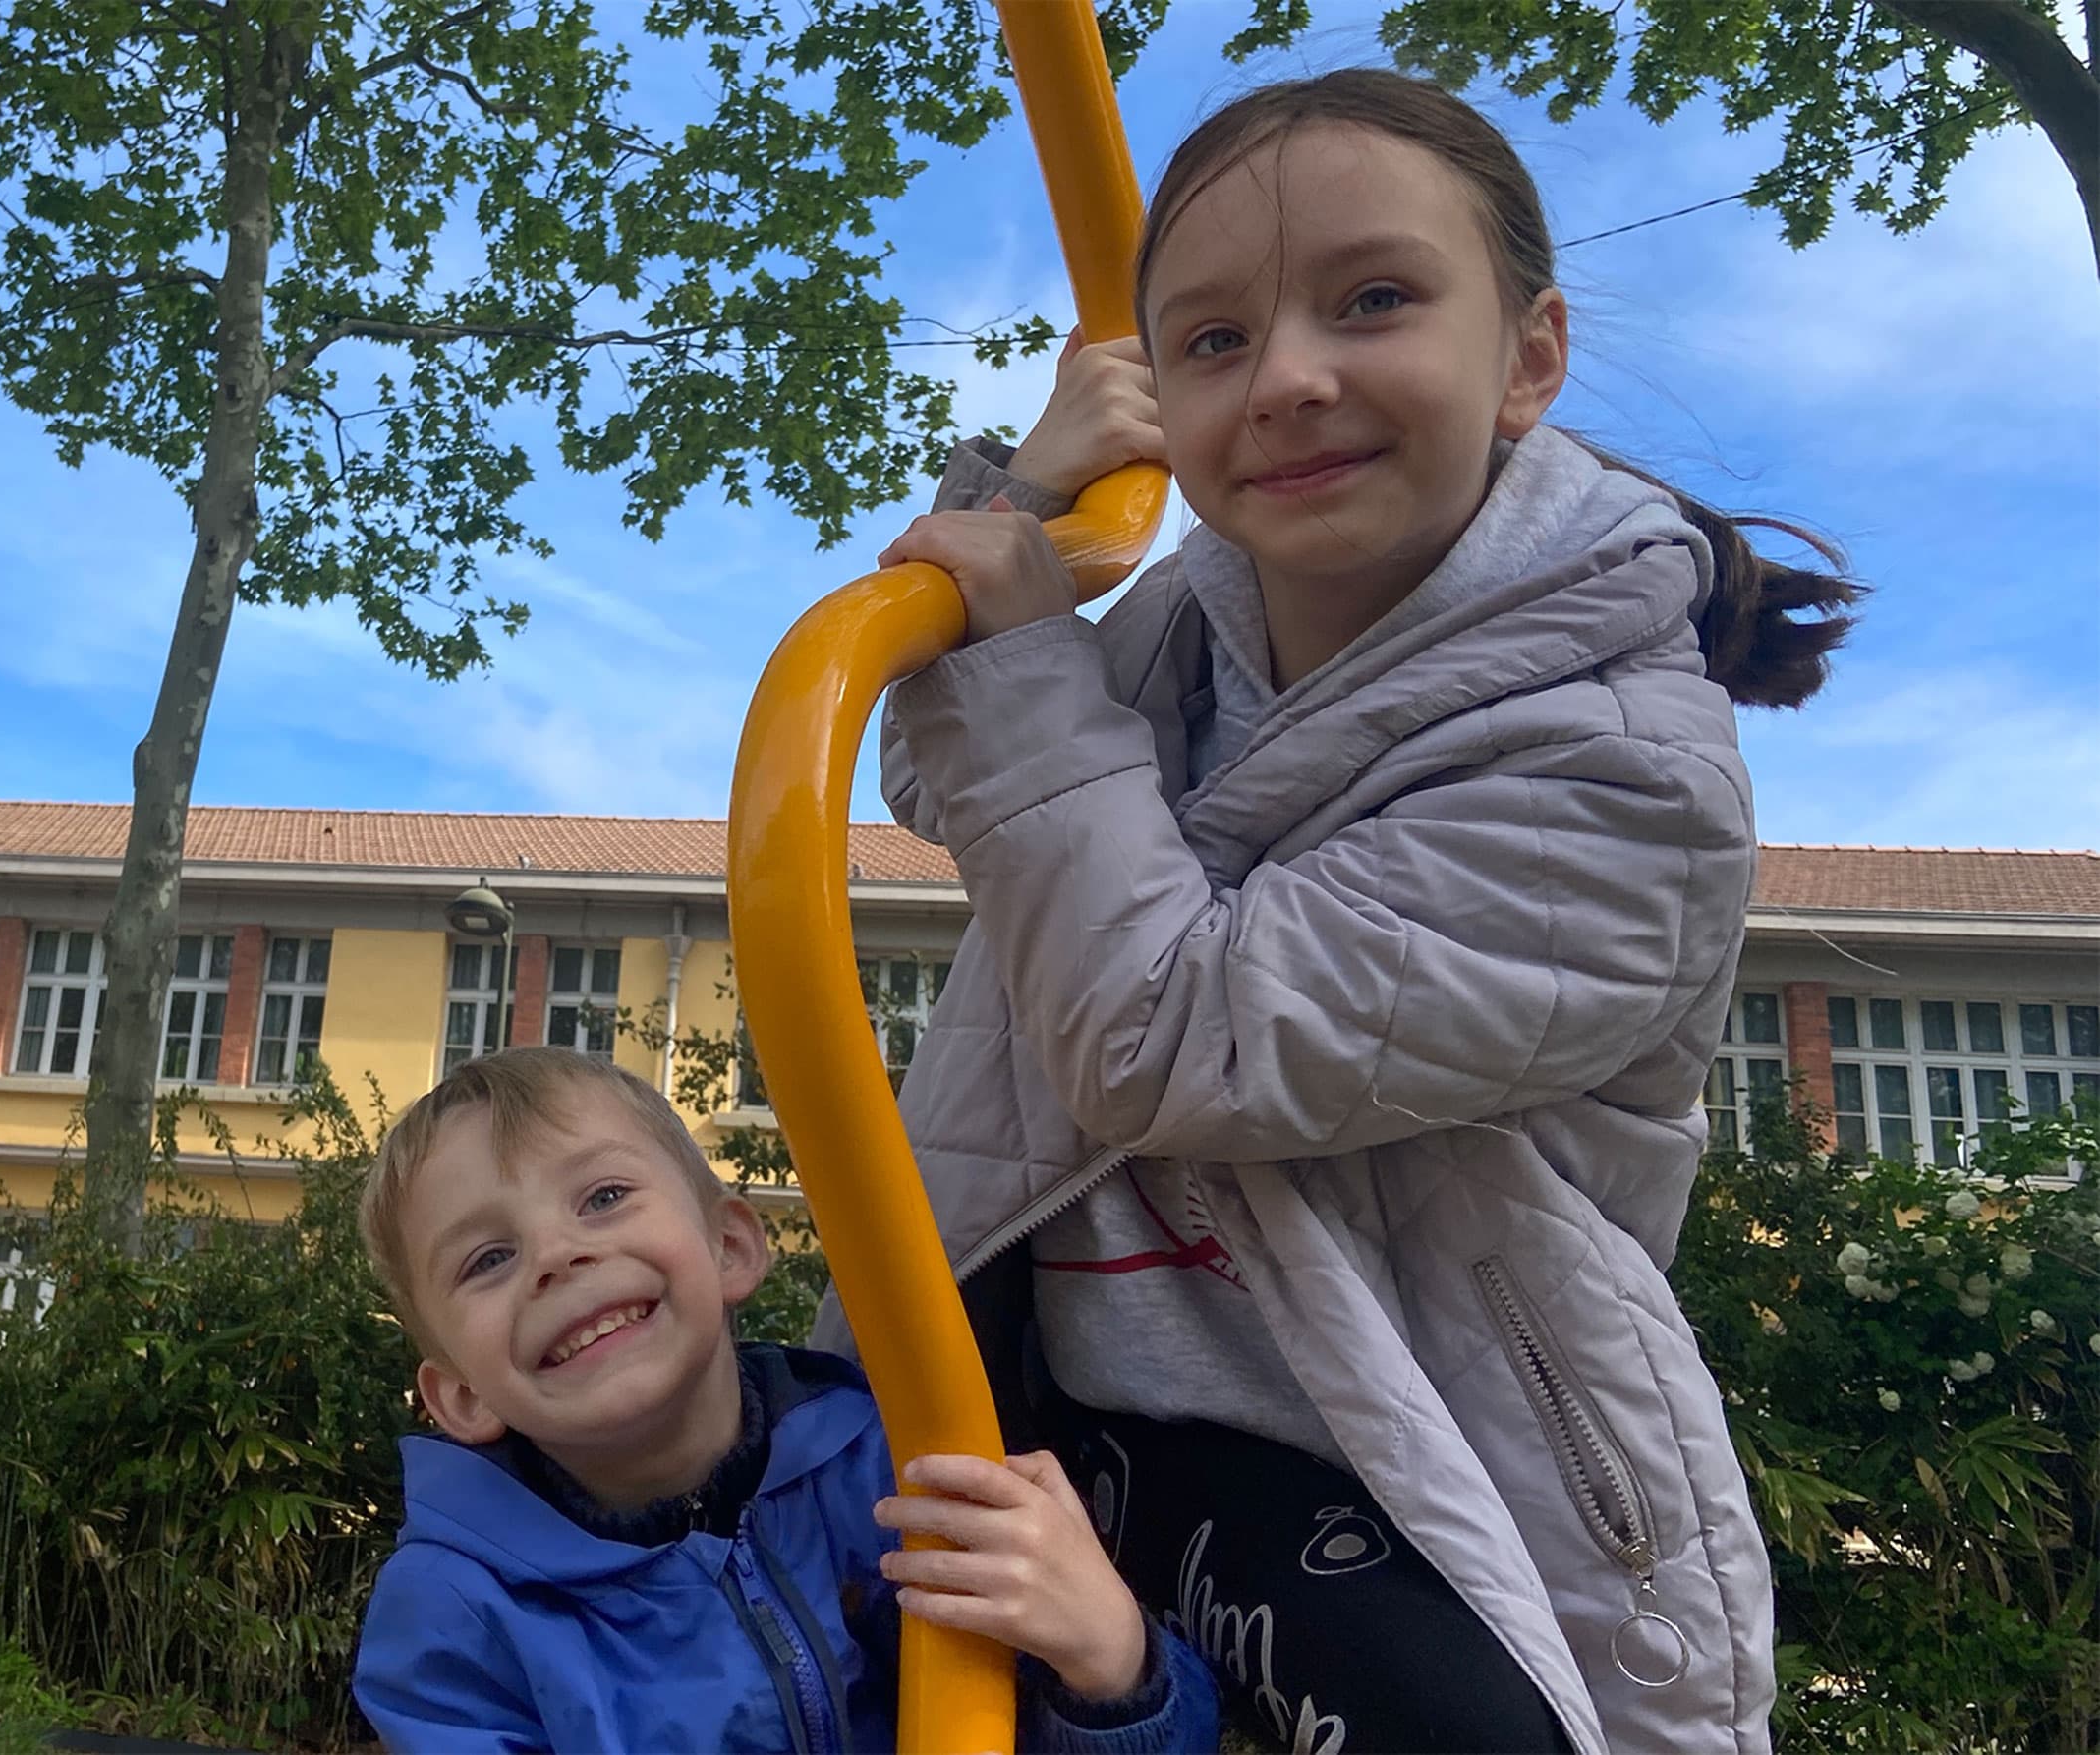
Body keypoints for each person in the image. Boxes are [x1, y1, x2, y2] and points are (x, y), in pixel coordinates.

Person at [819, 67, 1863, 1755]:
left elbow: (1178, 1041)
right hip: (1063, 1389)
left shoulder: (1623, 777)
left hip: (1392, 1460)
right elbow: (954, 789)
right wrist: (1017, 513)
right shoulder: (1189, 624)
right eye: (1214, 341)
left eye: (1373, 301)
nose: (1290, 378)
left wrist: (1023, 660)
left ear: (1530, 355)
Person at [351, 1046, 1220, 1752]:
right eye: (488, 1259)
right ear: (460, 1396)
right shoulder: (452, 1620)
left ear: (729, 1246)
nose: (555, 1254)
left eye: (604, 1197)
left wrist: (1114, 1669)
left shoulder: (904, 1472)